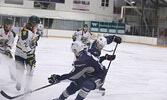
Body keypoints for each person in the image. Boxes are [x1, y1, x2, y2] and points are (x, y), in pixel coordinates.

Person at [48, 41, 116, 100]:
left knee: (87, 84)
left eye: (74, 50)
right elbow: (94, 62)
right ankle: (61, 98)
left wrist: (58, 78)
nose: (73, 52)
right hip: (88, 73)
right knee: (75, 84)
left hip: (99, 76)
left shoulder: (83, 60)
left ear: (77, 50)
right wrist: (105, 57)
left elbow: (73, 76)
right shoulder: (84, 54)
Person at [14, 15, 41, 92]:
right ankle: (19, 82)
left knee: (30, 72)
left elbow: (32, 40)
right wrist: (30, 54)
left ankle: (27, 87)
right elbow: (25, 46)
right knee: (20, 71)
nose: (37, 26)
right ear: (33, 24)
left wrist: (36, 38)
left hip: (27, 54)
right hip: (21, 54)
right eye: (36, 24)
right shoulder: (25, 32)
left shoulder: (32, 30)